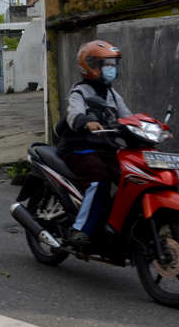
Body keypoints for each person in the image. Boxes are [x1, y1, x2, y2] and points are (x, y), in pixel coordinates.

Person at [56, 40, 133, 245]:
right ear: (90, 65)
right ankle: (80, 229)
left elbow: (127, 117)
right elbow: (74, 114)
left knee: (133, 176)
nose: (111, 69)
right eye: (105, 64)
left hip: (105, 148)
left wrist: (149, 129)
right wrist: (85, 121)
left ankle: (117, 226)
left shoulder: (111, 94)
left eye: (112, 64)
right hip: (79, 147)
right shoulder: (80, 91)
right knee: (100, 179)